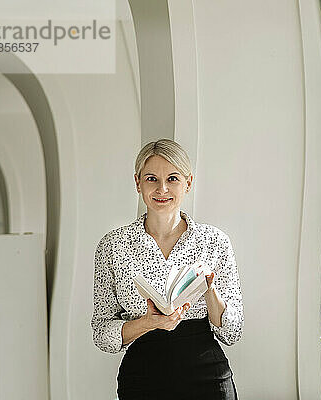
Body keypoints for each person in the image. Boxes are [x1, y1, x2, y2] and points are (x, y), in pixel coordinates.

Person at [91, 139, 244, 399]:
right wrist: (147, 323)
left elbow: (232, 332)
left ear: (188, 182)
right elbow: (102, 334)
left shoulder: (214, 241)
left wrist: (209, 289)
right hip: (142, 378)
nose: (162, 189)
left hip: (207, 376)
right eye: (152, 179)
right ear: (138, 183)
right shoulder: (113, 245)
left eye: (172, 178)